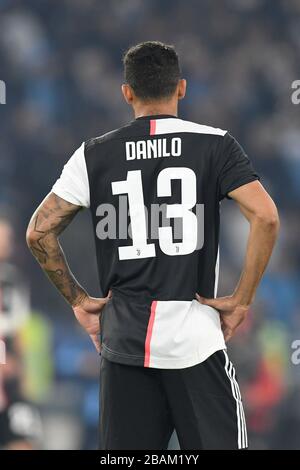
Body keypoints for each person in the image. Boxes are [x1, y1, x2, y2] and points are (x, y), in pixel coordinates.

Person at [26, 41, 279, 450]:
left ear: (127, 93)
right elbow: (266, 217)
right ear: (181, 88)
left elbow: (38, 232)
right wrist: (242, 299)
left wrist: (77, 300)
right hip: (196, 341)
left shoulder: (92, 155)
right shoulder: (216, 144)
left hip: (124, 344)